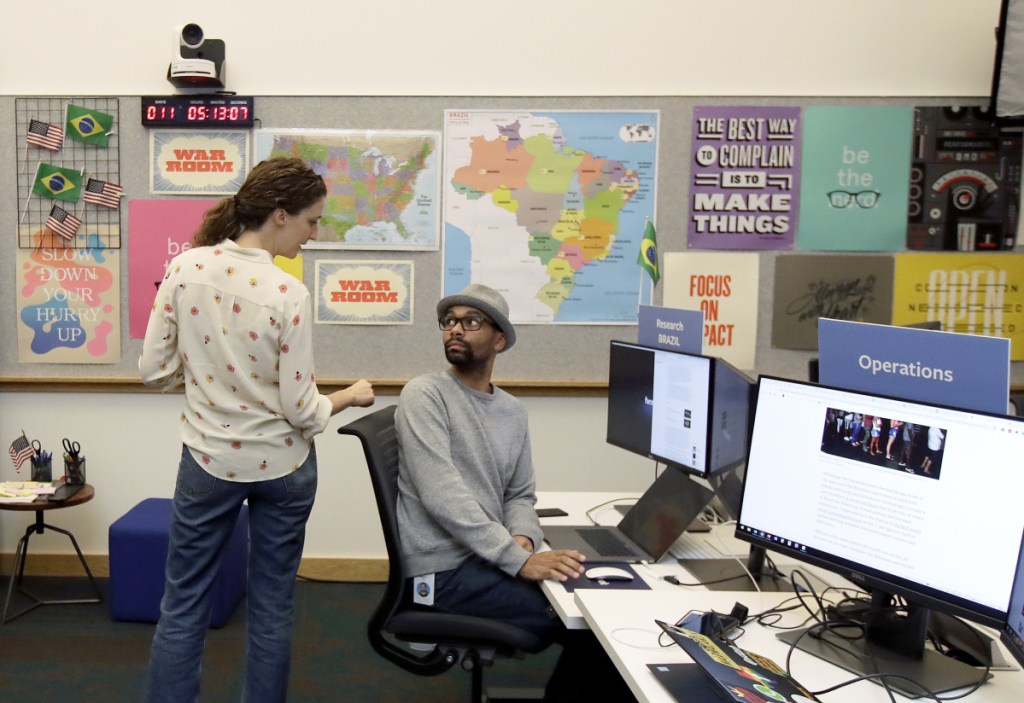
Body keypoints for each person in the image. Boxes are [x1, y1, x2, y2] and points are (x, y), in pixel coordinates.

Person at [139, 157, 376, 703]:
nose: (313, 235)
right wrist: (348, 397)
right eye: (311, 222)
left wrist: (202, 377)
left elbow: (153, 372)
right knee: (272, 607)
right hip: (286, 469)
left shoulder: (185, 268)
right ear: (278, 214)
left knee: (183, 605)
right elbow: (303, 411)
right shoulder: (287, 293)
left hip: (207, 463)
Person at [395, 283, 635, 703]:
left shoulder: (511, 411)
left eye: (471, 322)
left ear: (499, 340)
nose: (455, 330)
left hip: (485, 555)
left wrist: (522, 537)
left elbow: (520, 494)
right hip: (443, 572)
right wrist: (519, 560)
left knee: (595, 597)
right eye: (450, 322)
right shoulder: (424, 395)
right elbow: (443, 497)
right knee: (592, 624)